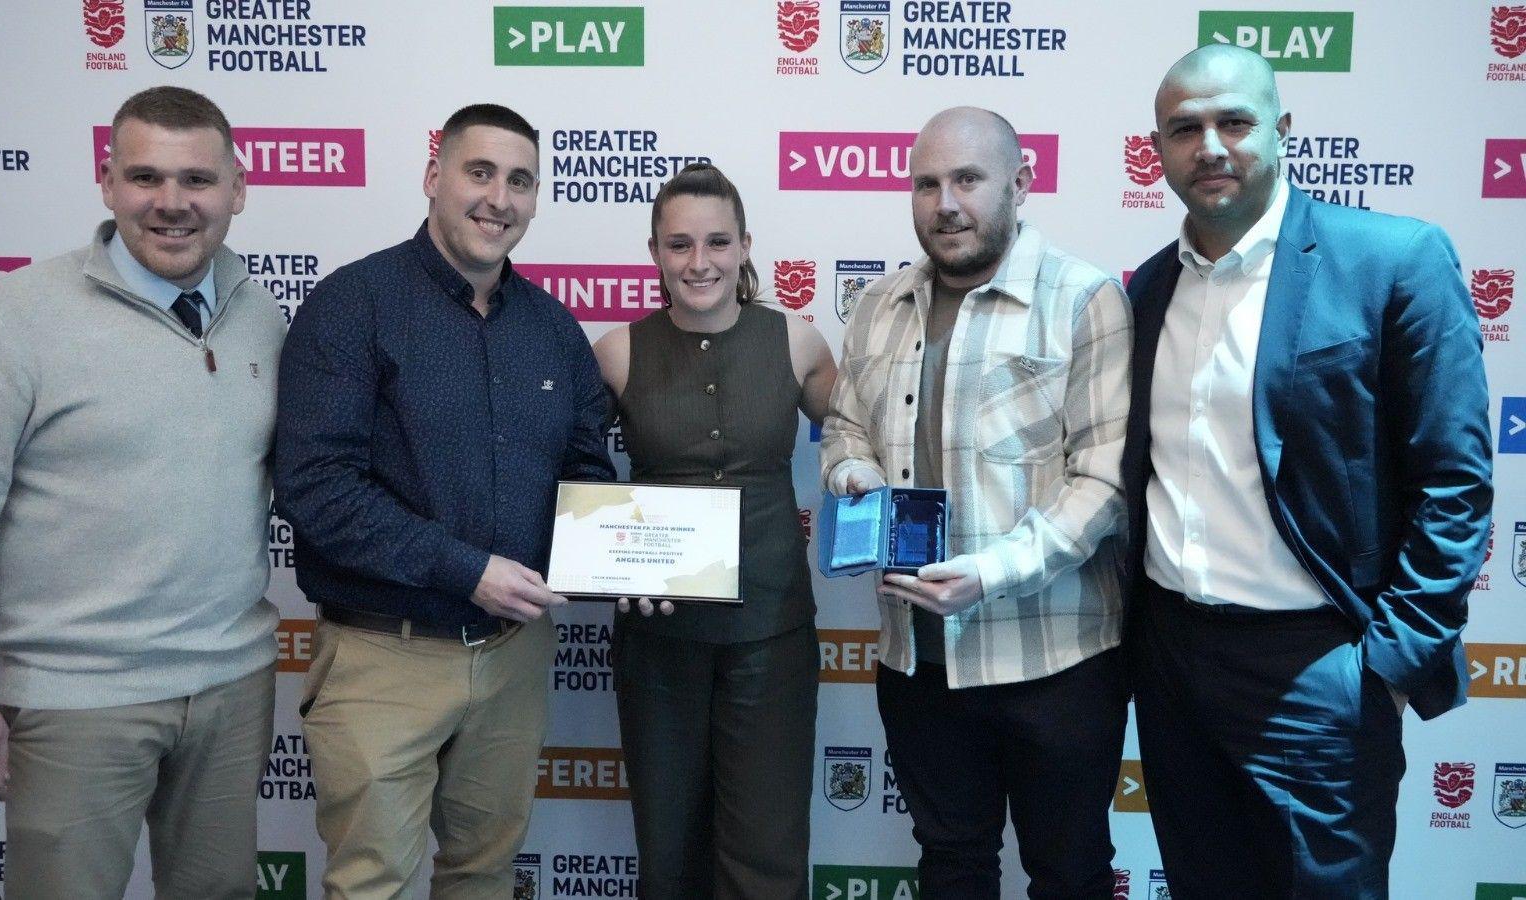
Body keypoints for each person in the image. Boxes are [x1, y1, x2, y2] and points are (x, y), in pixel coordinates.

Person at [1121, 45, 1491, 898]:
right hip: (1174, 664)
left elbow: (1457, 482)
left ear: (1284, 131)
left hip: (1319, 668)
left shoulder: (1393, 261)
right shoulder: (1144, 292)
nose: (1209, 145)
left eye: (1234, 121)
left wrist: (1384, 669)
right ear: (1158, 150)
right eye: (1185, 129)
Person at [0, 85, 282, 898]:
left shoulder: (260, 314)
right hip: (76, 702)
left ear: (237, 188)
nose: (171, 203)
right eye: (145, 177)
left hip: (232, 688)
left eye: (196, 180)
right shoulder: (12, 319)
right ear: (107, 181)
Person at [272, 102, 615, 899]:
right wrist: (466, 570)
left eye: (520, 181)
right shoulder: (351, 306)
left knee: (484, 876)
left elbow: (585, 469)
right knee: (372, 883)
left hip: (512, 656)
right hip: (382, 657)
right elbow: (315, 487)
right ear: (435, 177)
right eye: (480, 172)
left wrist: (633, 562)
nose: (500, 197)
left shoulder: (555, 330)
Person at [820, 107, 1132, 898]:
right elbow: (845, 427)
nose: (946, 203)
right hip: (918, 656)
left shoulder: (1084, 298)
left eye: (968, 179)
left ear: (1021, 183)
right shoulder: (879, 304)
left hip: (1053, 661)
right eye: (927, 184)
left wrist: (990, 574)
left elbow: (1103, 484)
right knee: (952, 866)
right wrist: (853, 471)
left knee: (1069, 875)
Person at [591, 162, 836, 899]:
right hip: (657, 642)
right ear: (655, 252)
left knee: (767, 849)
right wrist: (610, 560)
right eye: (679, 245)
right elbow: (570, 477)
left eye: (718, 242)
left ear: (746, 246)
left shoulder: (797, 340)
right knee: (667, 852)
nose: (699, 263)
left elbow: (863, 433)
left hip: (772, 633)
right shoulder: (614, 352)